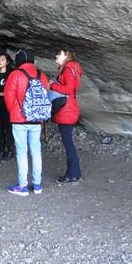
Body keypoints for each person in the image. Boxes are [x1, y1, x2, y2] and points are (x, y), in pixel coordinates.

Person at [3, 49, 49, 196]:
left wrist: (14, 112)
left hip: (19, 119)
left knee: (22, 152)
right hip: (36, 119)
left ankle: (22, 186)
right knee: (36, 152)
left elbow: (8, 97)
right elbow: (45, 95)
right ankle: (37, 185)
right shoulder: (42, 76)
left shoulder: (15, 75)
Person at [50, 47, 84, 184]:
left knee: (68, 143)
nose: (56, 56)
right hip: (70, 108)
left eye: (59, 54)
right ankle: (73, 172)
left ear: (66, 56)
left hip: (67, 110)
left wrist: (52, 86)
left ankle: (73, 174)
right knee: (68, 142)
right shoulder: (72, 68)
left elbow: (68, 89)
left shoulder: (68, 69)